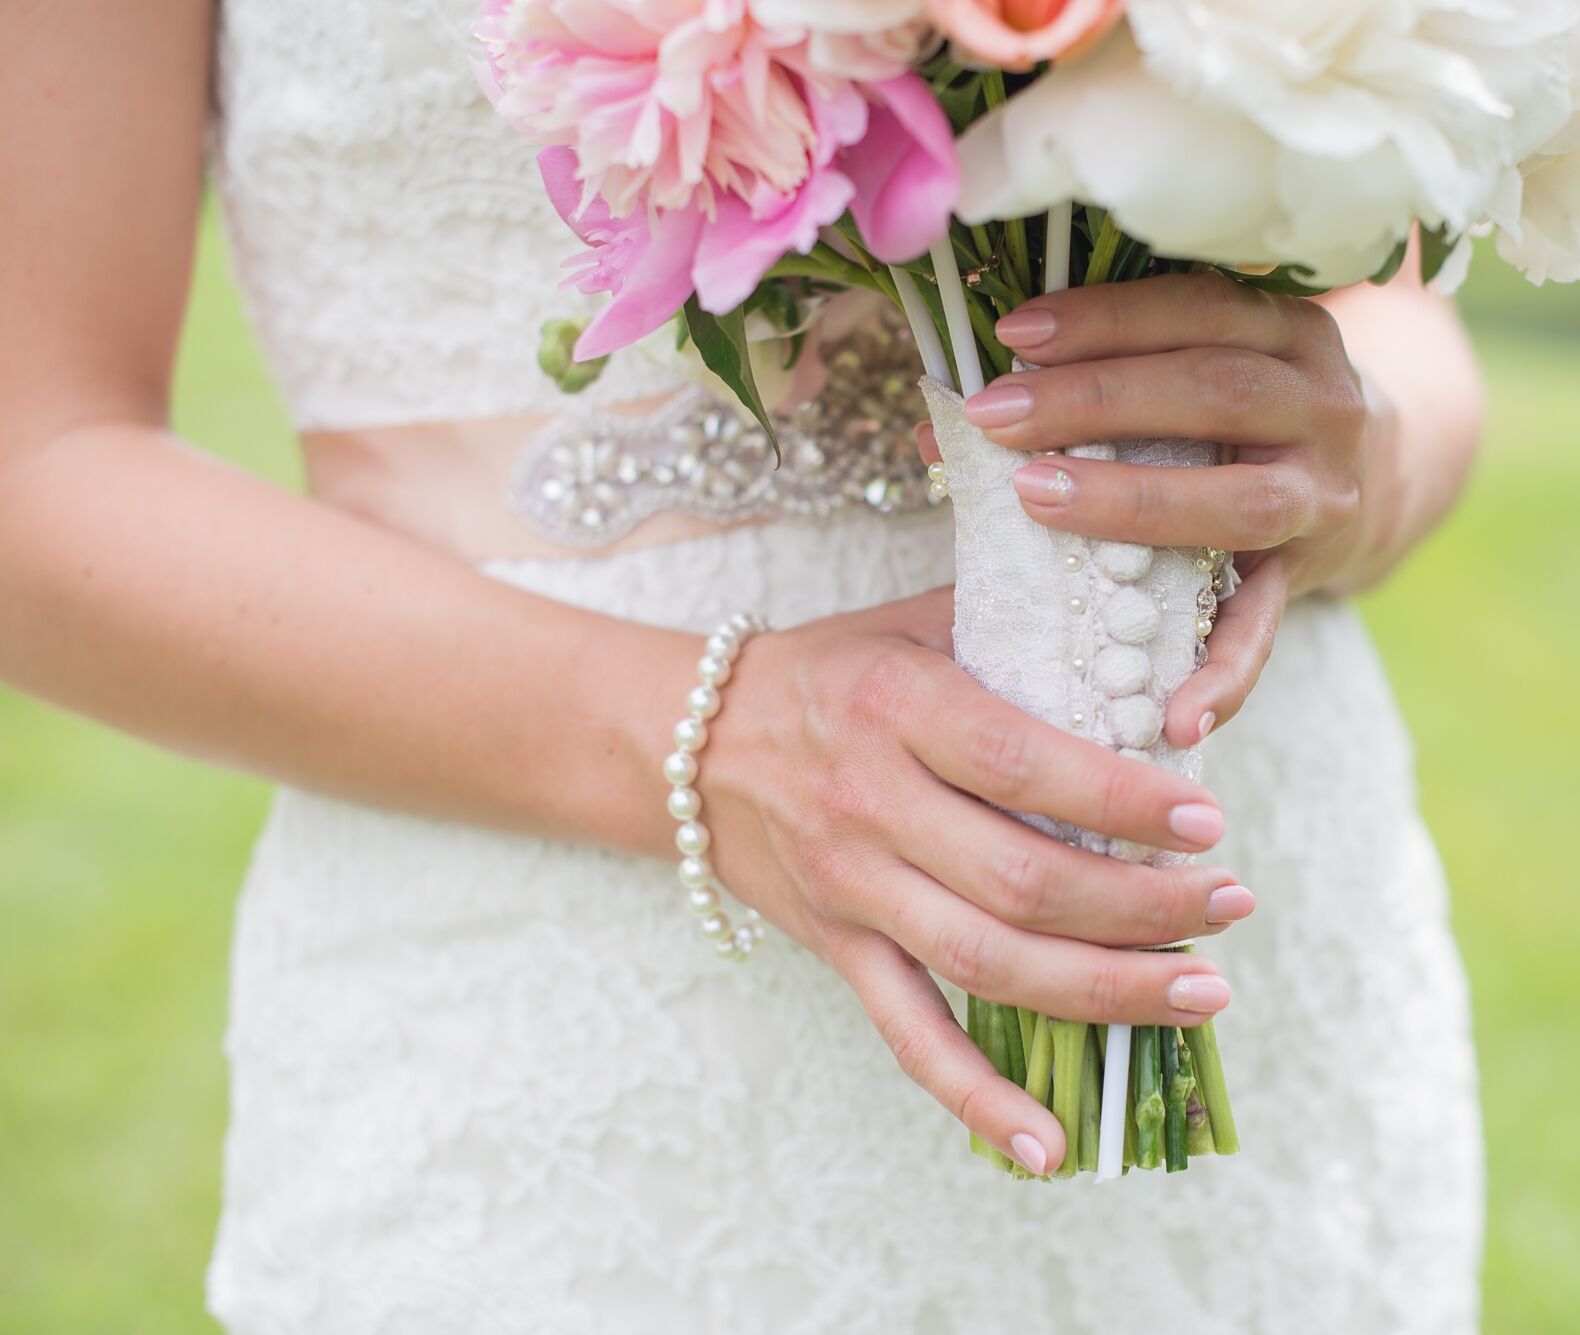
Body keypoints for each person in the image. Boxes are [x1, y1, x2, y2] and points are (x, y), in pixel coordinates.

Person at [0, 2, 1488, 1331]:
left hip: (1245, 910)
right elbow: (34, 464)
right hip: (562, 1007)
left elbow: (1404, 320)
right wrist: (708, 737)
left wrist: (1352, 450)